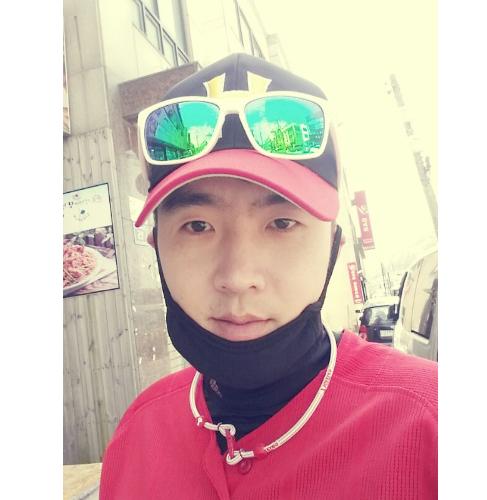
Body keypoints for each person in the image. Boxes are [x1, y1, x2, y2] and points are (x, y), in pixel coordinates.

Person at [99, 53, 437, 499]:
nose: (238, 276)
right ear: (156, 247)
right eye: (197, 226)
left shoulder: (432, 424)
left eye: (281, 223)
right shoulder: (138, 433)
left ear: (333, 247)